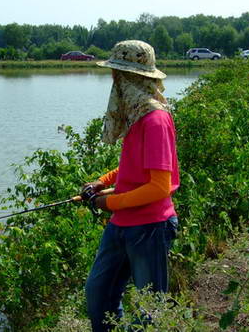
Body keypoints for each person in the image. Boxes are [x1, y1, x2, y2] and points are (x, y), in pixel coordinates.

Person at [82, 40, 180, 332]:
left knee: (149, 308)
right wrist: (101, 183)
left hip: (150, 226)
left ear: (130, 78)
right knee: (99, 293)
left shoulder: (154, 120)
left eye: (118, 74)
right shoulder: (137, 117)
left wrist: (107, 202)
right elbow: (132, 170)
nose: (114, 80)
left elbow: (159, 187)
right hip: (122, 223)